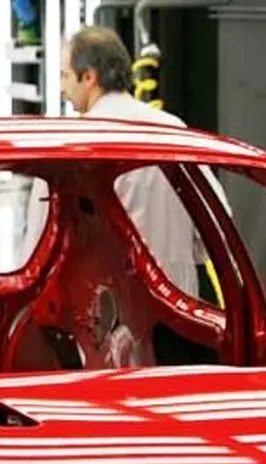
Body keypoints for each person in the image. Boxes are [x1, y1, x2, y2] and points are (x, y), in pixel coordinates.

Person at [22, 26, 229, 300]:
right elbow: (217, 224)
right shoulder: (173, 130)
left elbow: (40, 245)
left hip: (104, 304)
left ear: (89, 77)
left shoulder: (69, 145)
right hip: (177, 301)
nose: (62, 87)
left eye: (65, 75)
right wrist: (175, 253)